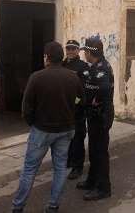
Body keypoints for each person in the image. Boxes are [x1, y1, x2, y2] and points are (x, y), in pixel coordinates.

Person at [10, 41, 85, 213]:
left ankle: (18, 207)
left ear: (46, 58)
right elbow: (81, 101)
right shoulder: (72, 77)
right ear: (61, 56)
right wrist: (70, 112)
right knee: (59, 169)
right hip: (66, 130)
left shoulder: (37, 77)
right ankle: (53, 206)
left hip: (42, 130)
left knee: (29, 170)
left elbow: (26, 108)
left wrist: (33, 123)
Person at [76, 37, 114, 201]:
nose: (84, 53)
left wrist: (96, 100)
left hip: (101, 115)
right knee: (93, 149)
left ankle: (103, 187)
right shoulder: (95, 66)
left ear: (89, 52)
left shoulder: (101, 68)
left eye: (85, 51)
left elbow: (105, 87)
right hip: (94, 116)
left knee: (99, 151)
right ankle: (92, 180)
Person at [62, 39, 90, 180]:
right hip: (63, 110)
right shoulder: (62, 65)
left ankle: (78, 166)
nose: (70, 52)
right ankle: (68, 160)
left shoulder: (82, 67)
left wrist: (75, 104)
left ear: (78, 51)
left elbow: (83, 90)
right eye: (68, 49)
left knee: (78, 138)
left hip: (76, 110)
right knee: (66, 137)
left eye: (73, 49)